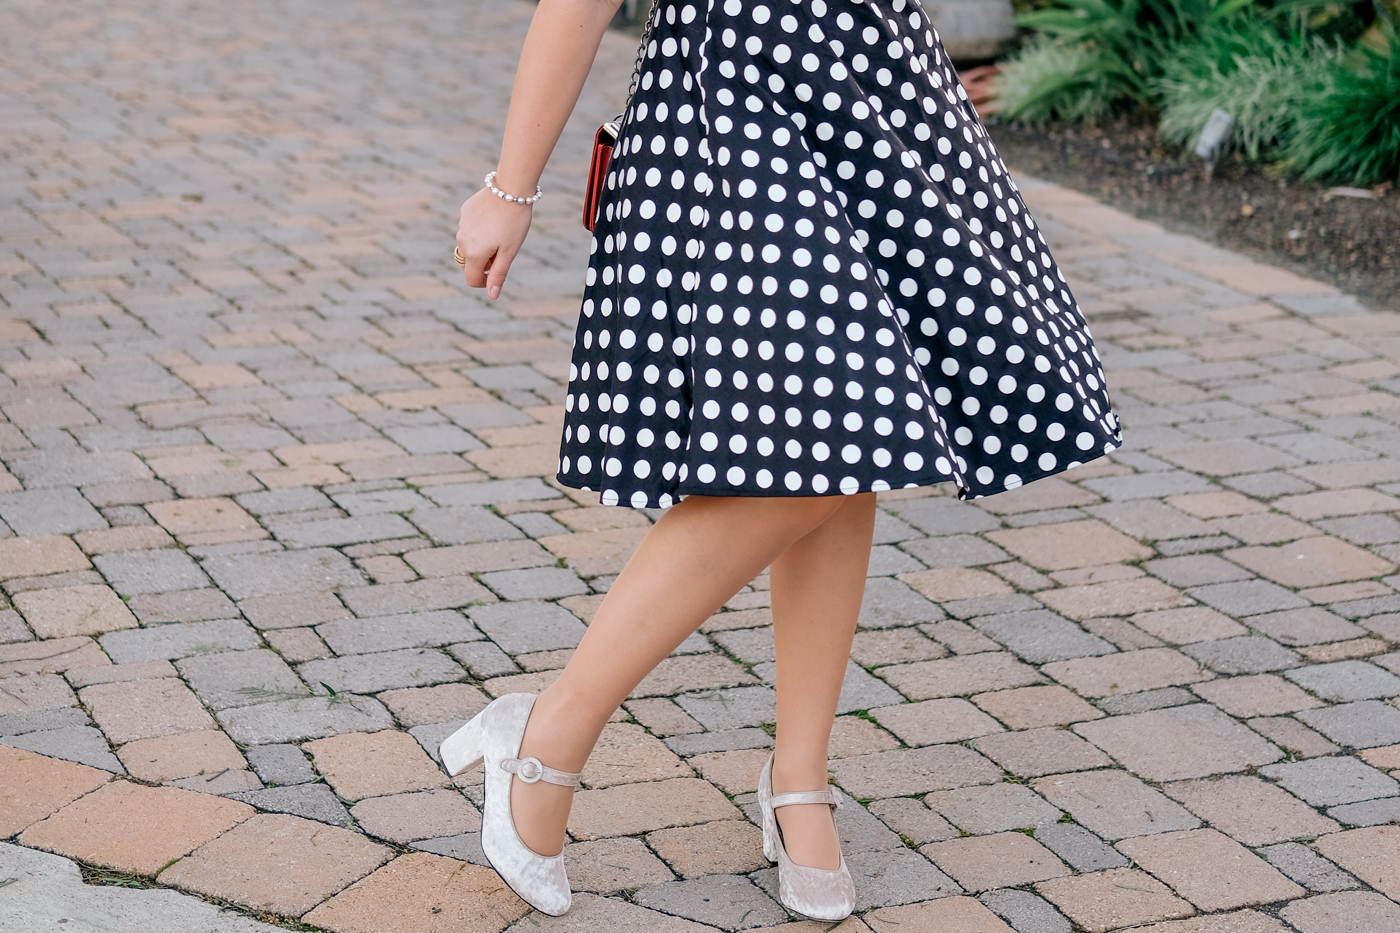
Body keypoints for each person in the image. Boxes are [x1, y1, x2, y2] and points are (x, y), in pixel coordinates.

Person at [450, 0, 1121, 921]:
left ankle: (799, 773)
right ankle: (550, 728)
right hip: (737, 113)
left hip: (875, 87)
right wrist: (510, 187)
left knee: (851, 438)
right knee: (815, 452)